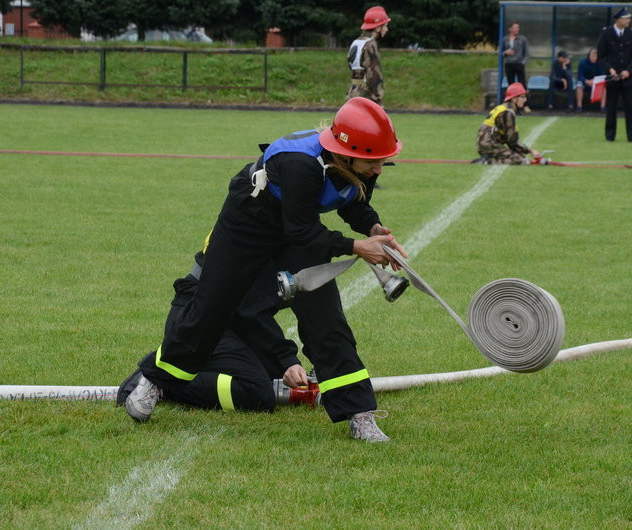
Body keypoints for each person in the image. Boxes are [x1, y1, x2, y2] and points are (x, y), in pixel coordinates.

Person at [124, 97, 406, 443]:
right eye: (374, 162)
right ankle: (155, 379)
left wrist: (373, 228)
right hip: (248, 225)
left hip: (294, 228)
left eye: (382, 160)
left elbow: (353, 202)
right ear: (347, 153)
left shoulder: (360, 163)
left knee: (326, 316)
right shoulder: (300, 165)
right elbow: (301, 231)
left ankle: (359, 414)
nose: (379, 168)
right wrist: (355, 247)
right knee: (211, 310)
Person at [596, 7, 632, 143]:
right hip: (612, 78)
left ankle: (631, 137)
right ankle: (610, 136)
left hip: (628, 78)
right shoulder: (606, 33)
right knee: (611, 107)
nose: (629, 20)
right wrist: (610, 70)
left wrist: (629, 71)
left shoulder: (631, 33)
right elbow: (601, 57)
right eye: (626, 18)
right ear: (618, 19)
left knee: (629, 108)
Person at [472, 82, 540, 165]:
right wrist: (530, 151)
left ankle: (489, 158)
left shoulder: (504, 108)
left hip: (487, 144)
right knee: (521, 160)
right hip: (489, 145)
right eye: (522, 97)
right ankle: (487, 161)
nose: (525, 100)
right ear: (514, 98)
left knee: (521, 156)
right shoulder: (507, 112)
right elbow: (512, 141)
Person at [346, 6, 390, 105]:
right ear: (378, 27)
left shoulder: (356, 42)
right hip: (366, 96)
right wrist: (377, 98)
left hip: (352, 93)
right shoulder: (370, 44)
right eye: (385, 26)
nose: (387, 29)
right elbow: (374, 74)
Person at [501, 21, 529, 89]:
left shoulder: (523, 39)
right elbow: (501, 52)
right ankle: (513, 99)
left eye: (518, 28)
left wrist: (523, 63)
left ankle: (523, 99)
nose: (517, 29)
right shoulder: (505, 39)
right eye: (515, 28)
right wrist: (506, 52)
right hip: (509, 64)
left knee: (522, 84)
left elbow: (527, 53)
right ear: (510, 29)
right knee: (511, 84)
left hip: (519, 63)